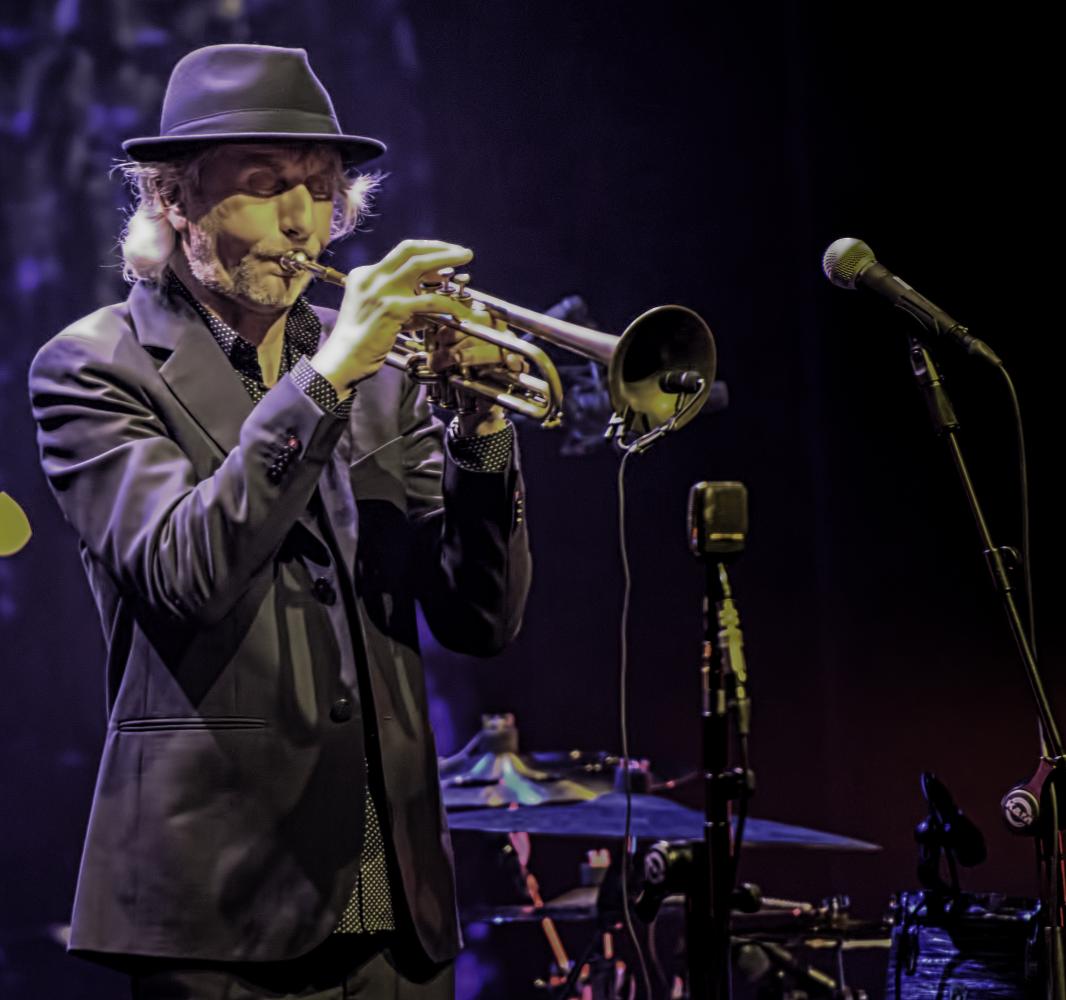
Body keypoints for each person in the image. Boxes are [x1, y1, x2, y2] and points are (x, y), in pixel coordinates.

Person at [28, 43, 531, 999]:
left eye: (318, 188)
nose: (302, 221)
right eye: (263, 187)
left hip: (395, 908)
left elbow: (481, 620)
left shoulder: (382, 380)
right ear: (174, 197)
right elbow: (186, 571)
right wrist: (324, 380)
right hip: (222, 908)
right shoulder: (93, 368)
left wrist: (483, 434)